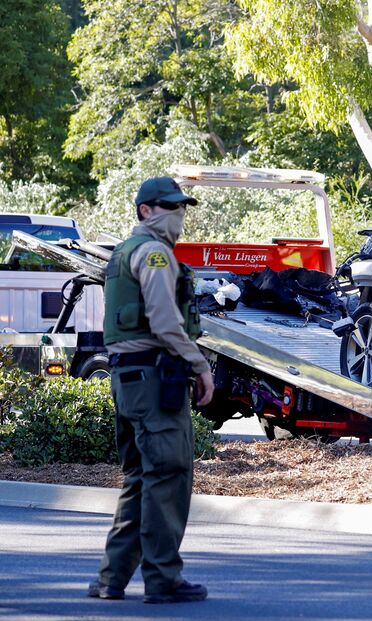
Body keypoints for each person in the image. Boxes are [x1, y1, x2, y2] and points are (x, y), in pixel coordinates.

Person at [88, 176, 215, 604]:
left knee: (140, 477)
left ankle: (112, 578)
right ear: (146, 210)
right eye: (170, 206)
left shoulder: (124, 251)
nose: (179, 215)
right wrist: (200, 366)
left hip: (129, 379)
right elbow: (164, 323)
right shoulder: (155, 253)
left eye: (182, 207)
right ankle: (162, 578)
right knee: (168, 475)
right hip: (154, 376)